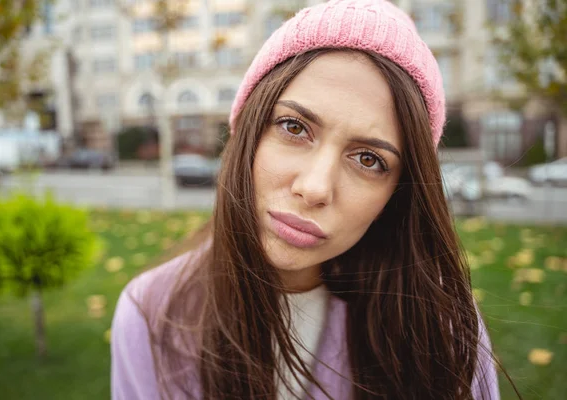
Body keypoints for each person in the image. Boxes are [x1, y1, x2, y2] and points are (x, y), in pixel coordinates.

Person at [111, 1, 508, 399]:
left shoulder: (441, 326)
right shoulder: (151, 313)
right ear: (247, 130)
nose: (315, 187)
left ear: (398, 192)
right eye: (294, 127)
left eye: (368, 160)